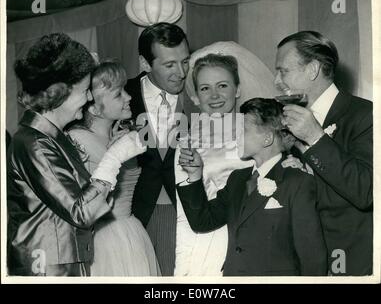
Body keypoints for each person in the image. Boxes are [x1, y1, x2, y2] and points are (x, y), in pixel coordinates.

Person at [7, 33, 146, 276]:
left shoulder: (54, 139)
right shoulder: (35, 143)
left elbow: (93, 203)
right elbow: (81, 212)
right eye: (84, 90)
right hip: (47, 269)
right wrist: (113, 158)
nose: (90, 97)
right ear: (60, 94)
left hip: (68, 261)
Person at [177, 98, 327, 276]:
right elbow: (202, 222)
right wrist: (195, 175)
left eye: (243, 131)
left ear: (267, 138)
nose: (235, 137)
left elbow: (312, 257)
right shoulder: (237, 180)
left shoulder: (297, 181)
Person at [175, 43, 279, 276]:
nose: (214, 96)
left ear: (238, 89)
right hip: (209, 240)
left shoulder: (261, 134)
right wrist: (183, 268)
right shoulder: (187, 143)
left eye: (222, 86)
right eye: (205, 88)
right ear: (195, 96)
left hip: (259, 237)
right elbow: (185, 216)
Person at [275, 31, 372, 275]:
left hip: (350, 262)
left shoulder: (366, 115)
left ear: (313, 69)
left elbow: (367, 190)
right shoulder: (290, 121)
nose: (277, 81)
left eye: (283, 71)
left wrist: (315, 138)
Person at [68, 60, 160, 276]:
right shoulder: (76, 142)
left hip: (132, 233)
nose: (129, 97)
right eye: (118, 94)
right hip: (102, 240)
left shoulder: (128, 135)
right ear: (94, 108)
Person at [125, 22, 190, 276]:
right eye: (169, 65)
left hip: (186, 212)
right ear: (145, 63)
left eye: (185, 61)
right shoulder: (122, 95)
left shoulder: (201, 93)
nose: (182, 72)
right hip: (133, 215)